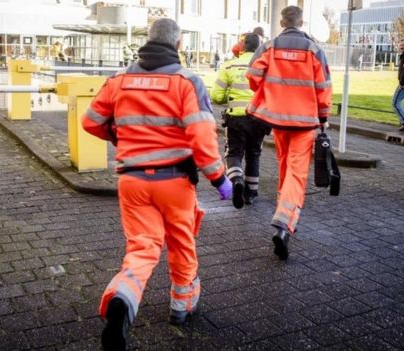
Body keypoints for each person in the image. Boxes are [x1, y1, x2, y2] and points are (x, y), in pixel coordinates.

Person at [82, 18, 231, 350]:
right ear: (178, 44)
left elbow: (90, 121)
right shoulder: (187, 82)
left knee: (142, 247)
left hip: (132, 180)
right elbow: (202, 136)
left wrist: (120, 138)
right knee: (181, 241)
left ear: (146, 41)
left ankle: (123, 296)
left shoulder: (119, 80)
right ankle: (182, 304)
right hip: (175, 181)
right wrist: (218, 177)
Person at [246, 5, 332, 260]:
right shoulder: (314, 49)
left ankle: (283, 211)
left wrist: (272, 92)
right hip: (305, 122)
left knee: (285, 167)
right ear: (301, 22)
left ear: (282, 22)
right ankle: (284, 223)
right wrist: (323, 117)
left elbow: (252, 76)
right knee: (296, 173)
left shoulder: (269, 46)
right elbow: (324, 87)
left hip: (278, 120)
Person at [211, 33, 270, 209]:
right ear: (259, 47)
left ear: (242, 47)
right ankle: (251, 193)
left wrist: (229, 97)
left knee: (234, 153)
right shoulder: (266, 67)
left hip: (236, 119)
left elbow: (216, 96)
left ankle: (236, 180)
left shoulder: (228, 65)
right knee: (254, 154)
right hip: (259, 118)